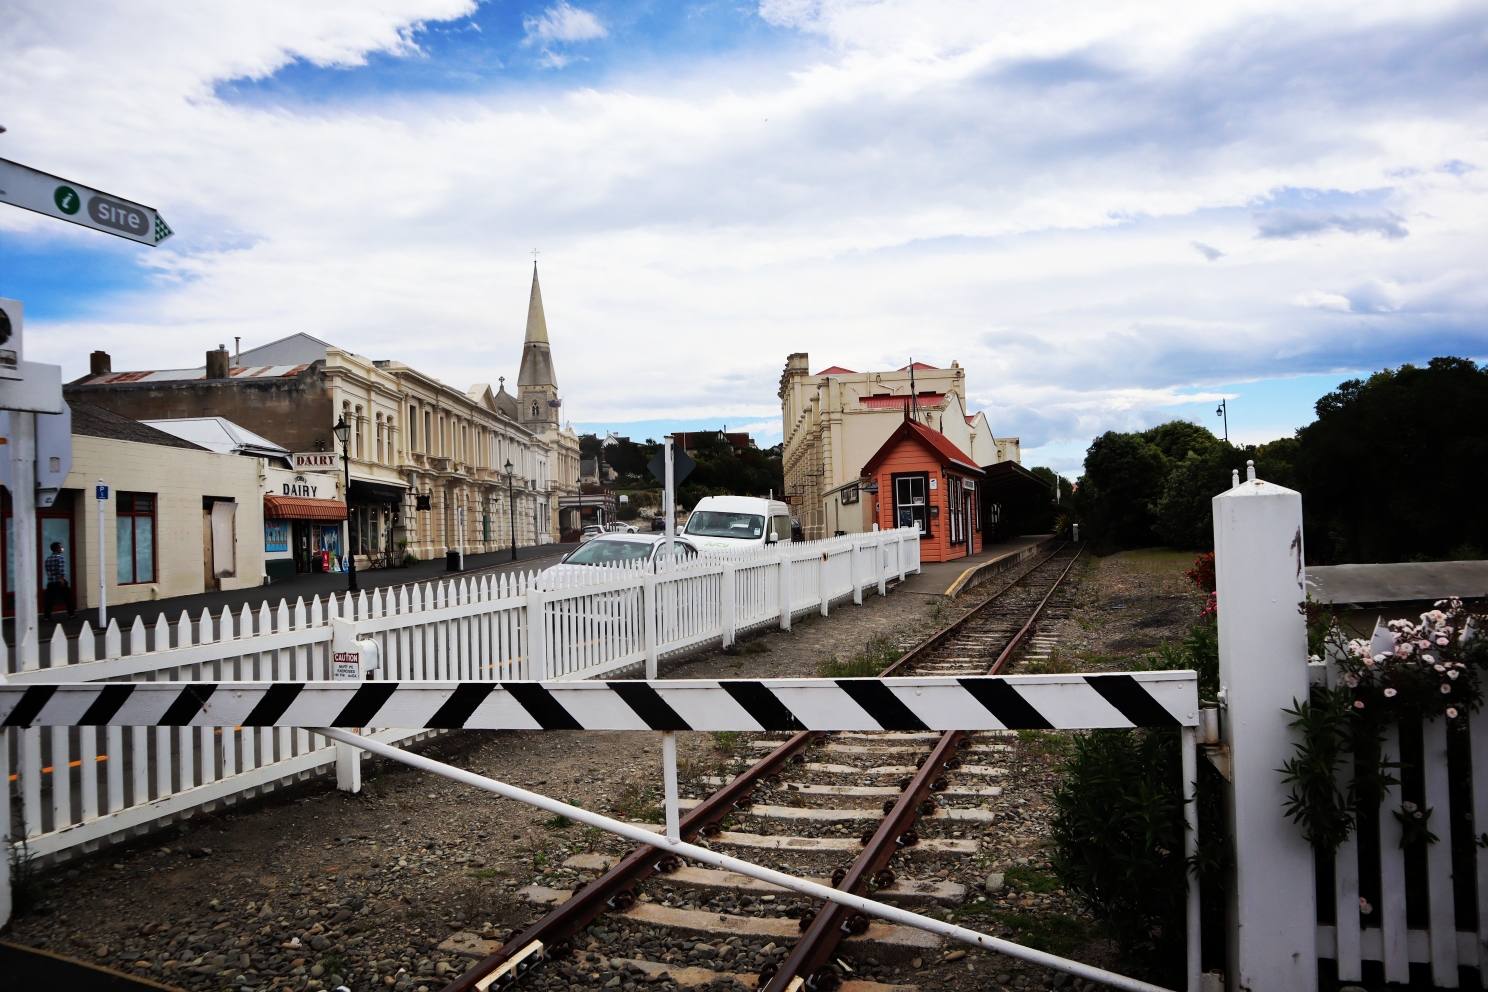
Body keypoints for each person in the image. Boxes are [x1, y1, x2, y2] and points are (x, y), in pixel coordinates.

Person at [43, 540, 76, 619]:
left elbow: (47, 570)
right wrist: (62, 579)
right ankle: (71, 614)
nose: (62, 548)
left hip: (51, 582)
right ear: (57, 549)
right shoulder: (60, 558)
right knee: (67, 598)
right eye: (60, 547)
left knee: (49, 600)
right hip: (59, 581)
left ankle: (47, 617)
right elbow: (61, 569)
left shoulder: (48, 559)